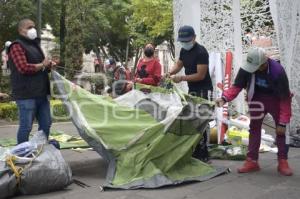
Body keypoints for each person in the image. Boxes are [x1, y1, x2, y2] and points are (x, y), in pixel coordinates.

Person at [215, 47, 293, 176]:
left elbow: (285, 98)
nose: (252, 68)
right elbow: (237, 86)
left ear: (264, 63)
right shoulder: (247, 67)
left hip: (276, 100)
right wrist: (224, 98)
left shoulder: (277, 71)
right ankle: (252, 161)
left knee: (280, 131)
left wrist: (283, 122)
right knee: (254, 129)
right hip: (257, 99)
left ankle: (283, 161)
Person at [167, 25, 213, 162]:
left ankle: (203, 152)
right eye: (183, 41)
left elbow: (200, 75)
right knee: (193, 119)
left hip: (203, 89)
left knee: (202, 120)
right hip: (192, 90)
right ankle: (195, 149)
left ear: (194, 38)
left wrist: (180, 78)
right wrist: (170, 73)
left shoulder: (201, 52)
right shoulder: (184, 50)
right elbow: (179, 64)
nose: (185, 43)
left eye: (187, 40)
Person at [7, 19, 54, 144]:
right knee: (26, 127)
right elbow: (23, 68)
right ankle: (22, 154)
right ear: (21, 30)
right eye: (29, 27)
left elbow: (41, 67)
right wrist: (42, 64)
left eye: (34, 27)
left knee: (46, 124)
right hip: (26, 94)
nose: (33, 29)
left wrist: (48, 66)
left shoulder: (35, 45)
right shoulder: (16, 46)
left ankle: (41, 150)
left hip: (41, 93)